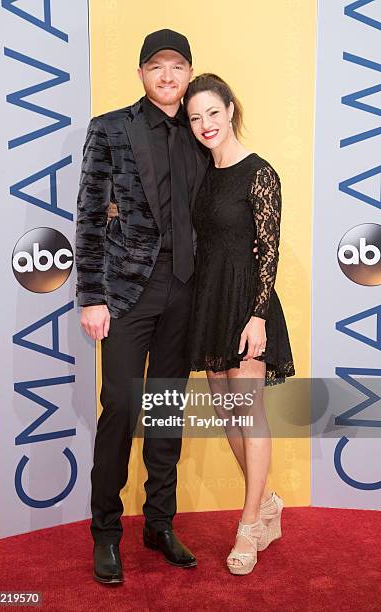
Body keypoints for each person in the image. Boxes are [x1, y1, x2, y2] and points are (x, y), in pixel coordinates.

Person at [75, 30, 209, 584]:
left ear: (188, 73)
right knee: (122, 411)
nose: (168, 75)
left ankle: (159, 523)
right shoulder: (110, 128)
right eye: (157, 65)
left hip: (186, 291)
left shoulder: (203, 130)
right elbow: (88, 214)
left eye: (178, 66)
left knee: (165, 412)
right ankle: (106, 533)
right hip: (128, 293)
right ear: (141, 73)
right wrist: (92, 297)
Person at [184, 73, 295, 575]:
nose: (205, 124)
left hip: (249, 305)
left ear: (230, 109)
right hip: (210, 303)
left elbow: (268, 255)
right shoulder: (204, 175)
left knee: (249, 418)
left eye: (212, 112)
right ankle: (269, 504)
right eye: (194, 117)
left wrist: (258, 316)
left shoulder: (260, 174)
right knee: (229, 419)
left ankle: (249, 525)